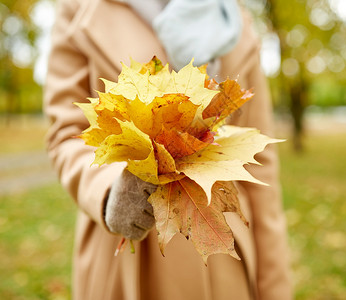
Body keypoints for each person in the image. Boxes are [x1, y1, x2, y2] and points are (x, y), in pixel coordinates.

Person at [43, 0, 293, 299]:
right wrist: (108, 189)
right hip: (131, 256)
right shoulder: (80, 7)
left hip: (223, 252)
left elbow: (260, 164)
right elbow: (68, 133)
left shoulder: (235, 17)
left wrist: (273, 287)